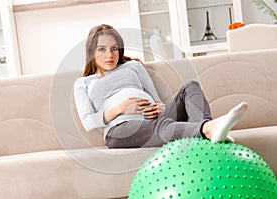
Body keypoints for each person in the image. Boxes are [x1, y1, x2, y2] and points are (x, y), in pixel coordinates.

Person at [74, 24, 248, 148]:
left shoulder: (133, 66)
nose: (110, 54)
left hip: (156, 119)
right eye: (102, 49)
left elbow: (157, 100)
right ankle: (207, 129)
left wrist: (159, 108)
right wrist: (121, 107)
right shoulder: (84, 82)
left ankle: (209, 128)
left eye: (114, 48)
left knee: (190, 86)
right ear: (91, 52)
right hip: (120, 129)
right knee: (161, 125)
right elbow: (89, 122)